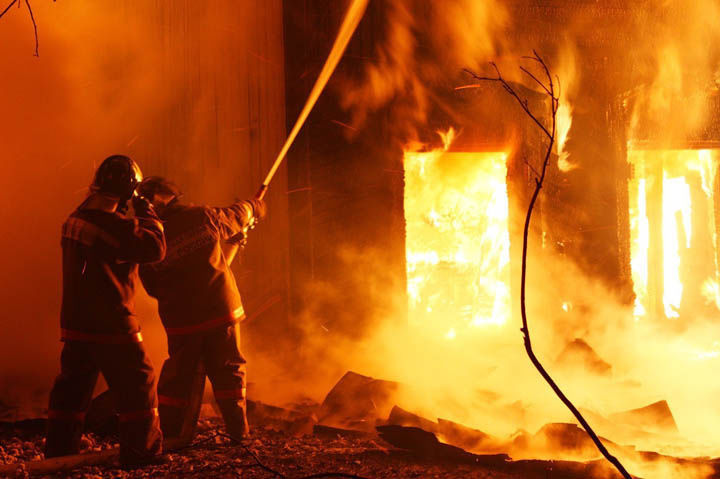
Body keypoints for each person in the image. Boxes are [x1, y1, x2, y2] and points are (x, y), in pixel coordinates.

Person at [46, 155, 166, 467]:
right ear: (128, 192)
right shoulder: (114, 227)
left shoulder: (75, 218)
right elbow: (155, 248)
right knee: (139, 383)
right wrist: (146, 210)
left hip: (76, 322)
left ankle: (59, 454)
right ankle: (141, 453)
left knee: (72, 391)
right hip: (111, 323)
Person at [136, 177, 266, 443]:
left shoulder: (147, 237)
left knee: (177, 379)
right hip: (220, 312)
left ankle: (170, 434)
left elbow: (151, 286)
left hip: (181, 321)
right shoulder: (201, 217)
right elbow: (236, 215)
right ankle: (239, 433)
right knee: (229, 372)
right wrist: (254, 207)